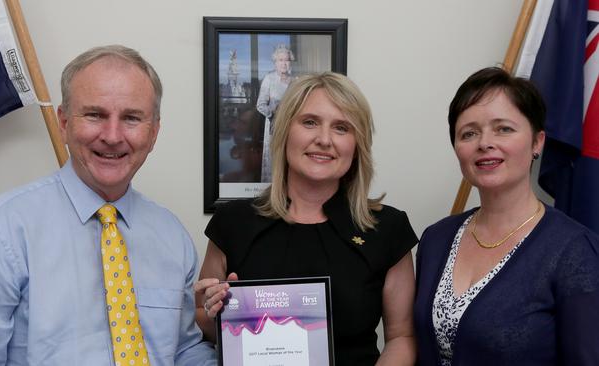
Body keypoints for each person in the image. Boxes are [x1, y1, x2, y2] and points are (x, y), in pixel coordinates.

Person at [0, 45, 216, 366]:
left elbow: (182, 350)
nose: (113, 135)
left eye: (131, 118)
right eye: (95, 115)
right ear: (63, 122)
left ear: (154, 132)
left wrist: (244, 342)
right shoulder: (1, 231)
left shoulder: (172, 237)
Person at [196, 72, 418, 365]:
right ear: (285, 130)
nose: (324, 140)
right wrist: (214, 311)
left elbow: (401, 337)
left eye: (341, 128)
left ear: (357, 144)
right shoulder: (233, 223)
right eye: (310, 122)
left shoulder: (387, 229)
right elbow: (203, 319)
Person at [414, 67, 599, 365]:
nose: (485, 142)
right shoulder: (436, 239)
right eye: (469, 133)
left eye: (504, 129)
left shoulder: (577, 252)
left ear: (537, 142)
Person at [256, 43, 296, 182]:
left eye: (287, 60)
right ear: (275, 62)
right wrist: (274, 115)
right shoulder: (269, 79)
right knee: (274, 158)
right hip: (274, 125)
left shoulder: (296, 81)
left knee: (290, 158)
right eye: (280, 60)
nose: (284, 63)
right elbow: (260, 105)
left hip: (291, 126)